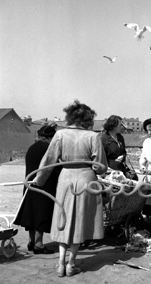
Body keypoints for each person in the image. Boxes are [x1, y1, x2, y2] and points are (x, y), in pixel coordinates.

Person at [32, 100, 107, 277]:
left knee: (63, 218)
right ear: (87, 119)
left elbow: (48, 161)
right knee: (79, 220)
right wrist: (96, 168)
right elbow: (101, 166)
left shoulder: (60, 135)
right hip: (85, 179)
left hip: (65, 179)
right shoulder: (92, 136)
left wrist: (38, 180)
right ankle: (71, 264)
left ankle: (60, 264)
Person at [13, 124, 61, 254]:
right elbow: (54, 168)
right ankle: (39, 244)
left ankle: (31, 241)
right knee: (41, 214)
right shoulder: (48, 149)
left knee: (31, 213)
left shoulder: (32, 148)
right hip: (43, 186)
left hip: (29, 185)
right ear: (50, 138)